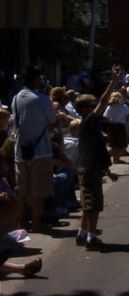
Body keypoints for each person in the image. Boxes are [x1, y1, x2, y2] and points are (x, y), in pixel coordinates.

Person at [75, 67, 121, 250]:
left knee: (88, 203)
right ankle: (91, 236)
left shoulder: (89, 125)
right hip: (89, 168)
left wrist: (108, 171)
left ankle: (82, 233)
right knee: (93, 205)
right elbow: (102, 101)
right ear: (86, 108)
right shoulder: (88, 121)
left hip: (89, 166)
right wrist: (113, 81)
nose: (97, 108)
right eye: (92, 105)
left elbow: (99, 150)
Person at [11, 66, 56, 233]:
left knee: (22, 190)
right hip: (40, 150)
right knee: (39, 190)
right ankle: (36, 223)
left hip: (20, 150)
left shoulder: (15, 98)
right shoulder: (42, 99)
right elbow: (52, 121)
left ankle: (22, 223)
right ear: (36, 79)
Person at [103, 92, 129, 164]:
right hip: (120, 125)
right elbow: (128, 112)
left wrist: (110, 120)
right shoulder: (123, 106)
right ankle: (116, 159)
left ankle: (114, 157)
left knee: (113, 143)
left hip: (112, 126)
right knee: (119, 143)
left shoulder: (109, 107)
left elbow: (105, 116)